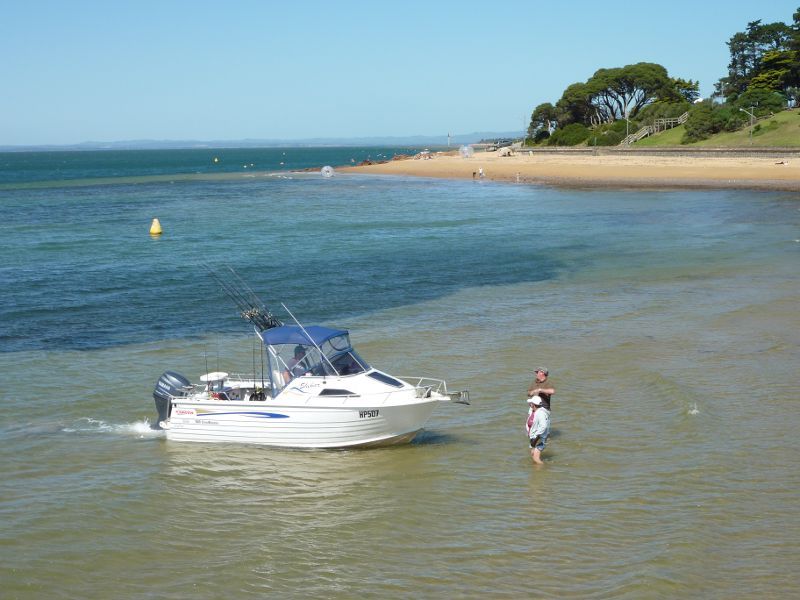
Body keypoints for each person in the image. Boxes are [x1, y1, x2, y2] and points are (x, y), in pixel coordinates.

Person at [528, 395, 551, 464]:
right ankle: (536, 471)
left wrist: (536, 438)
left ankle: (544, 470)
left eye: (531, 403)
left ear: (534, 405)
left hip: (539, 438)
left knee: (536, 459)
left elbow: (543, 426)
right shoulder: (532, 410)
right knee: (532, 454)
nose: (529, 404)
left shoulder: (541, 413)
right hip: (533, 436)